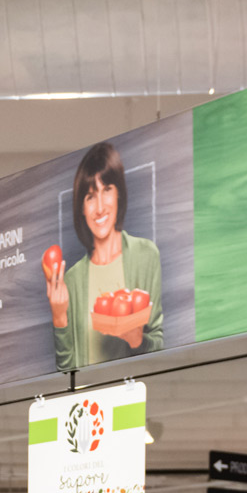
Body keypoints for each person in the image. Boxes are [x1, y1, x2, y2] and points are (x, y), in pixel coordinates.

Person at [48, 142, 163, 371]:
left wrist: (137, 340)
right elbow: (66, 371)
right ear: (82, 208)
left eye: (107, 189)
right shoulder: (72, 280)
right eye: (90, 197)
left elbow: (159, 348)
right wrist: (59, 317)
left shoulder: (145, 255)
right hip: (91, 395)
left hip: (134, 392)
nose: (99, 207)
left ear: (119, 193)